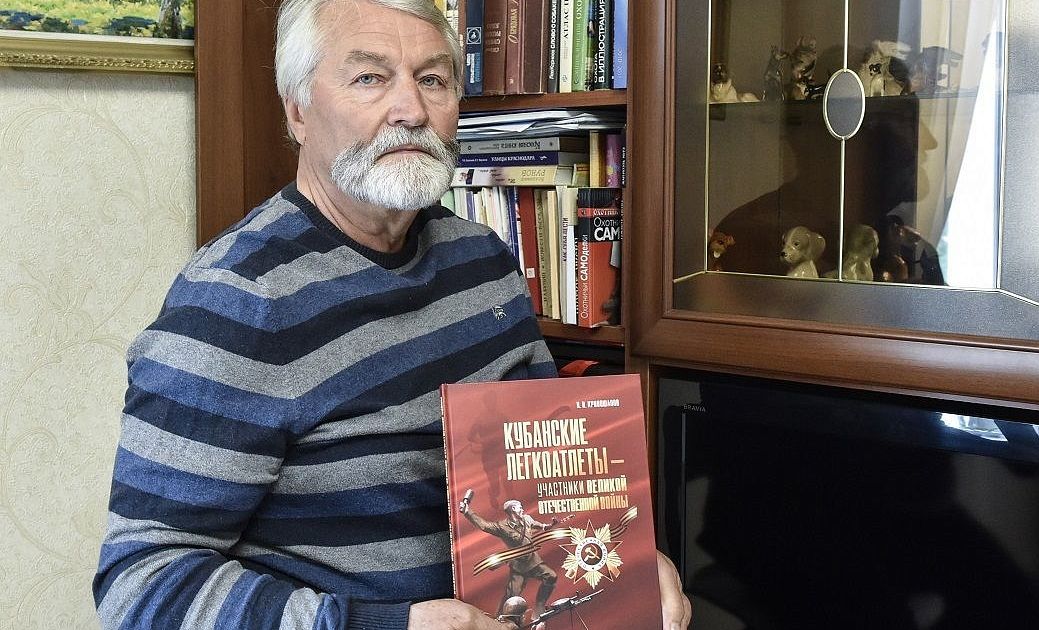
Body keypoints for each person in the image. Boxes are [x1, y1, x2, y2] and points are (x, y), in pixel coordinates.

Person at [91, 1, 691, 629]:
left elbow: (552, 479)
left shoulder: (481, 260)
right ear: (298, 111)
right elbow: (141, 587)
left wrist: (626, 562)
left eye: (432, 79)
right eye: (369, 78)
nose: (411, 110)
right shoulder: (237, 301)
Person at [460, 498, 559, 619]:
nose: (522, 509)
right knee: (511, 596)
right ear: (513, 509)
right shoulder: (502, 526)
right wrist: (467, 512)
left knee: (551, 576)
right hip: (518, 567)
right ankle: (499, 619)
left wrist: (551, 525)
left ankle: (539, 605)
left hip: (534, 562)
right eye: (520, 507)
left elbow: (542, 526)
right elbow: (484, 526)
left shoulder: (527, 519)